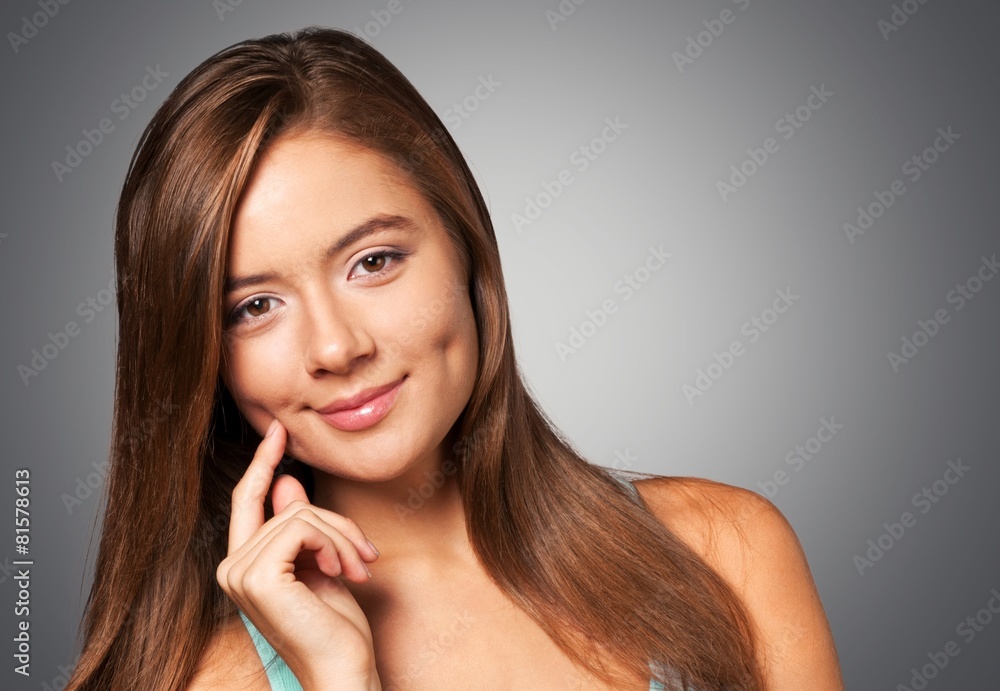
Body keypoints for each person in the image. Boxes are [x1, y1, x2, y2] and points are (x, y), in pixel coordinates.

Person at [66, 26, 844, 691]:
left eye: (373, 261)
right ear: (202, 358)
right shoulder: (203, 676)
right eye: (253, 307)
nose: (337, 346)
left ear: (466, 249)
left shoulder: (727, 551)